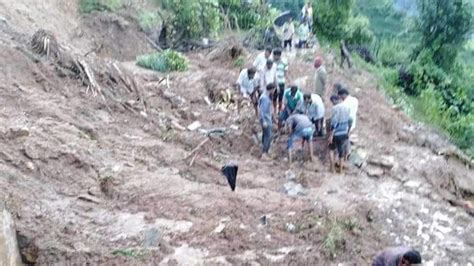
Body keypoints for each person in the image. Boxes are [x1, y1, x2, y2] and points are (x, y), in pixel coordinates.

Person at [328, 95, 352, 173]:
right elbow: (350, 120)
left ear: (335, 100)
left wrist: (331, 135)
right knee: (341, 152)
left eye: (332, 102)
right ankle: (341, 170)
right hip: (344, 133)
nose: (332, 103)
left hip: (336, 134)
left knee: (331, 149)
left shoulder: (335, 108)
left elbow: (334, 123)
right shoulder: (347, 108)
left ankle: (332, 169)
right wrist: (348, 132)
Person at [259, 83, 277, 161]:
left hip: (267, 119)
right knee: (268, 136)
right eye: (274, 90)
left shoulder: (266, 97)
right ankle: (264, 153)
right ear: (272, 89)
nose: (274, 91)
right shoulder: (265, 98)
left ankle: (264, 151)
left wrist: (274, 119)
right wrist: (264, 121)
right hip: (266, 120)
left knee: (265, 135)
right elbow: (262, 111)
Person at [273, 49, 289, 114]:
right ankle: (274, 111)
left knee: (280, 98)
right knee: (274, 97)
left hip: (281, 82)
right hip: (274, 83)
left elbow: (285, 73)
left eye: (275, 55)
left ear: (278, 55)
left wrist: (288, 80)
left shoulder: (284, 62)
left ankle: (279, 111)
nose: (274, 57)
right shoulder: (272, 62)